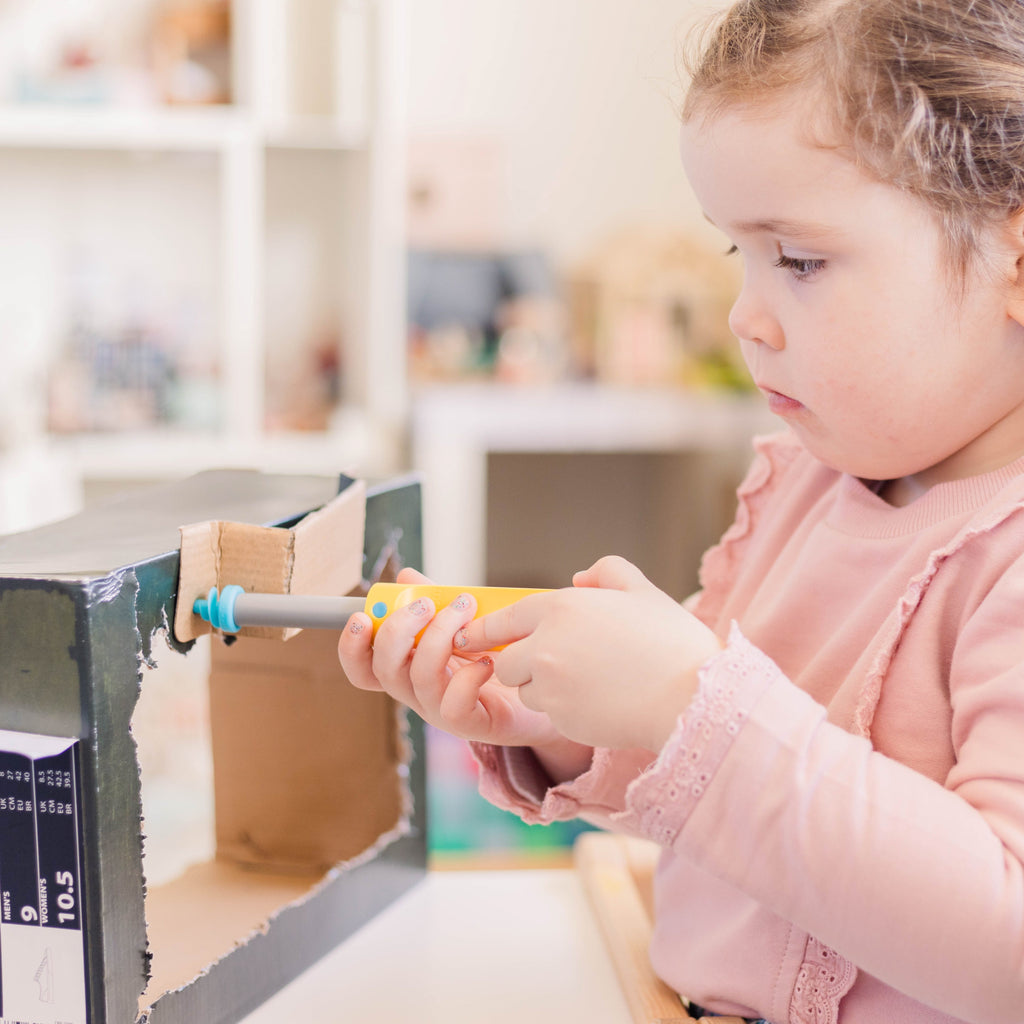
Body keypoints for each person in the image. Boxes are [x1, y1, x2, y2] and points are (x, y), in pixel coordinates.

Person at [339, 1, 1024, 1021]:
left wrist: (687, 701)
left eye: (797, 259)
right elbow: (714, 797)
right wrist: (555, 719)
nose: (746, 315)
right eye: (733, 254)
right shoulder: (800, 486)